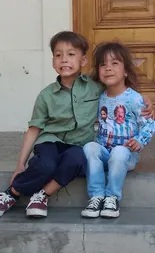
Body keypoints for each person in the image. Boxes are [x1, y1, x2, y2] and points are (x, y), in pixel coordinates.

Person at [0, 33, 153, 218]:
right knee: (46, 165)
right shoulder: (46, 95)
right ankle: (11, 193)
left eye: (71, 54)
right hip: (50, 141)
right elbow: (34, 129)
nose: (64, 59)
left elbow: (118, 87)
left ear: (83, 60)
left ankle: (42, 195)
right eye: (58, 55)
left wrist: (145, 99)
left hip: (77, 145)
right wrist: (20, 163)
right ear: (53, 61)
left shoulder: (95, 86)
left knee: (77, 159)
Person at [81, 42, 155, 219]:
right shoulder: (98, 97)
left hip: (126, 156)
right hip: (105, 153)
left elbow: (149, 123)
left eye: (115, 64)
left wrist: (139, 140)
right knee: (90, 147)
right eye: (103, 65)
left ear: (126, 71)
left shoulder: (134, 99)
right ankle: (97, 196)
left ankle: (112, 197)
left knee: (120, 151)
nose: (108, 69)